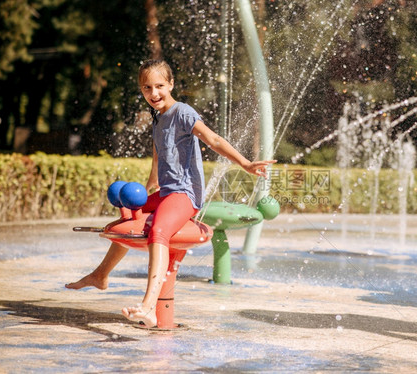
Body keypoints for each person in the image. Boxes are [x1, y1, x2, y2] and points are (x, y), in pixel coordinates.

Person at [66, 59, 276, 327]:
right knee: (129, 218)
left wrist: (245, 164)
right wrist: (152, 181)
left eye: (160, 86)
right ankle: (100, 275)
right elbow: (158, 151)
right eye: (147, 88)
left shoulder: (183, 112)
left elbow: (213, 140)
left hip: (185, 195)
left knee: (158, 232)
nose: (154, 94)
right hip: (167, 192)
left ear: (171, 84)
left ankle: (149, 305)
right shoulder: (158, 118)